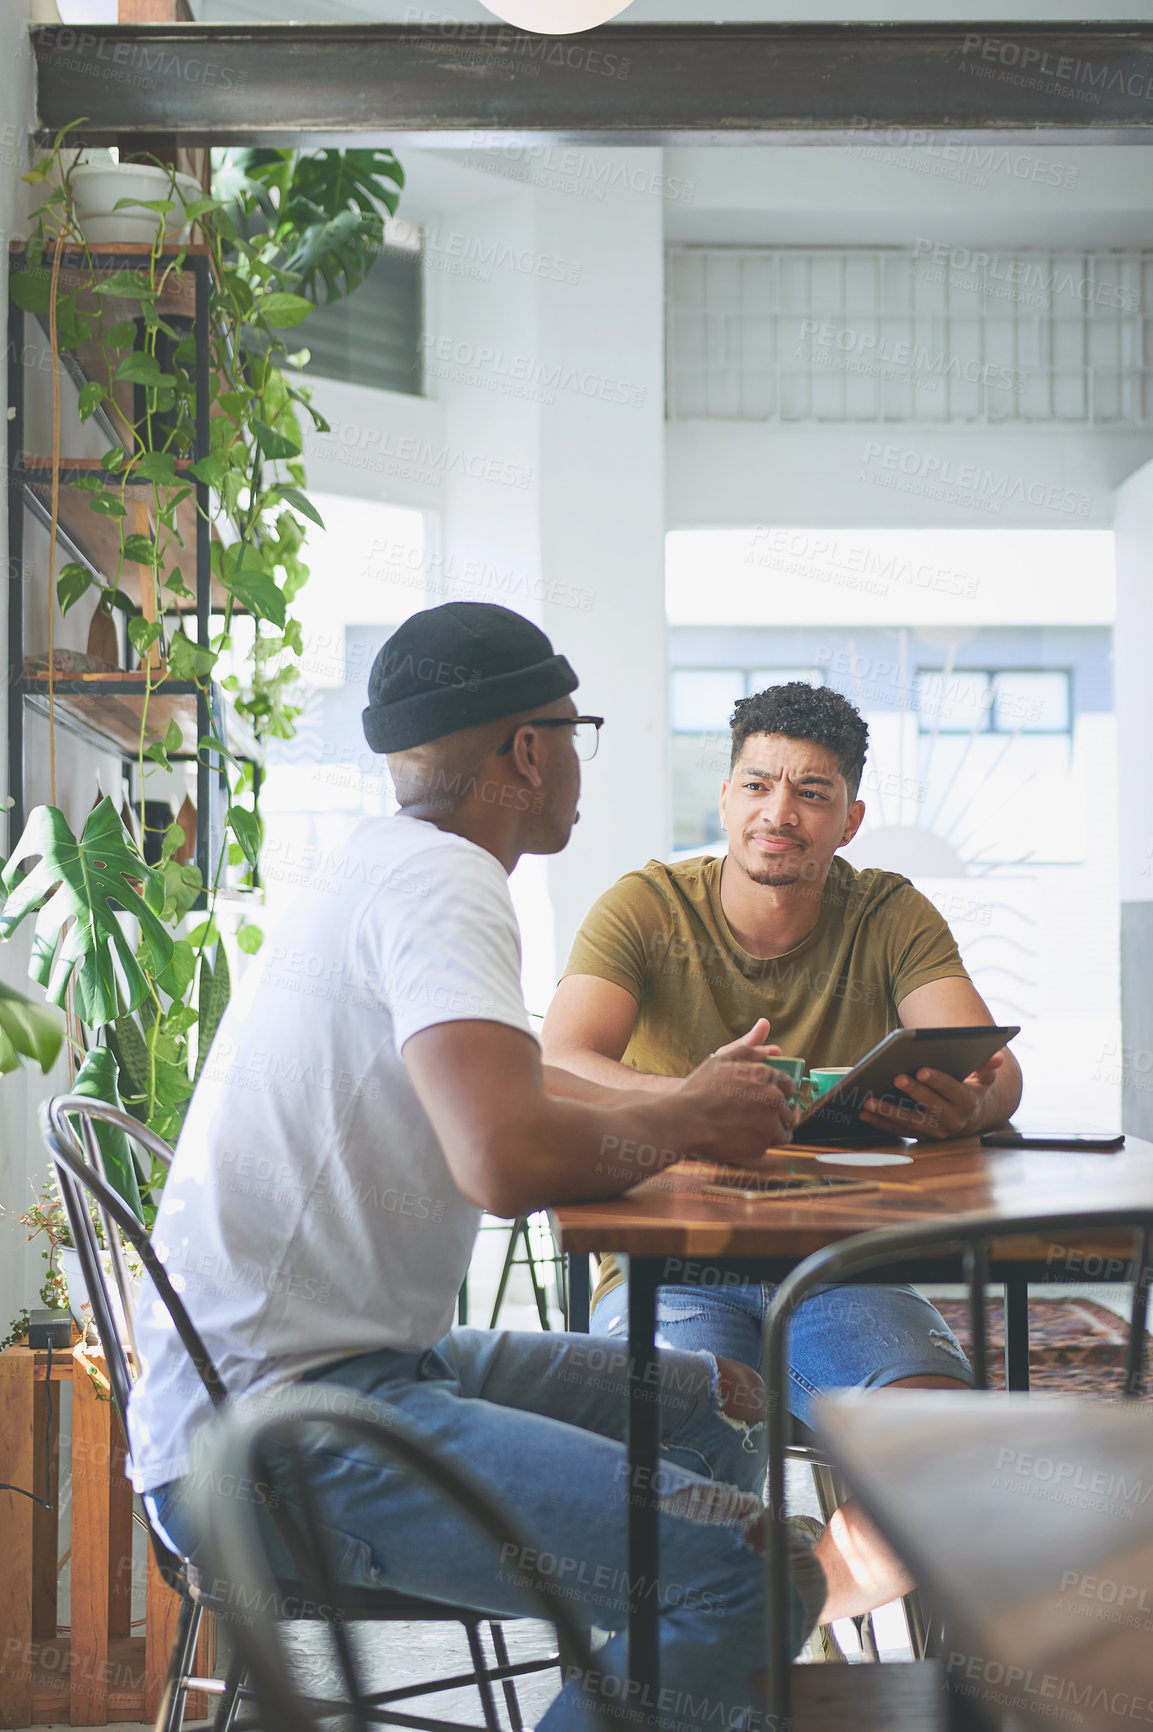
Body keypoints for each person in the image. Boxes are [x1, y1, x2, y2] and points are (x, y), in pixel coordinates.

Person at [126, 605, 833, 1732]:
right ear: (528, 748)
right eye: (573, 730)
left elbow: (519, 1094)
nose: (572, 762)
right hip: (276, 1433)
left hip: (332, 1371)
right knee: (758, 1571)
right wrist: (693, 1117)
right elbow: (503, 1156)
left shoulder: (381, 864)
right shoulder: (446, 883)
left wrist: (686, 1105)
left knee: (719, 1403)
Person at [541, 679, 1023, 1628]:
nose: (779, 812)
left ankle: (786, 1615)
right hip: (668, 1271)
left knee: (945, 1453)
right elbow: (558, 1064)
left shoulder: (889, 911)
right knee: (657, 1465)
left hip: (843, 1266)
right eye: (758, 784)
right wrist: (693, 1100)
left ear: (849, 818)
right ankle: (718, 1646)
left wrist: (971, 1106)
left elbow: (995, 1071)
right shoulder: (645, 905)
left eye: (812, 792)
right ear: (724, 796)